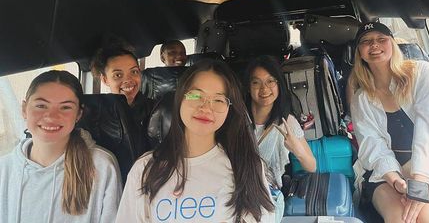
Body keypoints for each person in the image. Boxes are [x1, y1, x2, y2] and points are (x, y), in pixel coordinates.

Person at [350, 22, 429, 223]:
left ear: (392, 43)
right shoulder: (361, 98)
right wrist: (396, 182)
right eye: (366, 42)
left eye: (381, 39)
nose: (374, 45)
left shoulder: (424, 74)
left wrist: (419, 181)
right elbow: (372, 145)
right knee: (400, 219)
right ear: (359, 52)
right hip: (387, 176)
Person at [115, 59, 275, 222]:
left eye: (218, 100)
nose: (205, 108)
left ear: (229, 109)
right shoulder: (145, 168)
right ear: (180, 99)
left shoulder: (245, 165)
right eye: (196, 95)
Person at [0, 70, 122, 222]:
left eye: (65, 107)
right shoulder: (4, 169)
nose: (51, 116)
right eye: (41, 105)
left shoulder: (101, 166)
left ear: (78, 115)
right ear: (24, 109)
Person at [244, 55, 316, 189]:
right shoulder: (237, 119)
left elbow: (312, 165)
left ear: (279, 85)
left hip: (268, 196)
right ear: (248, 87)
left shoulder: (287, 122)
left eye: (270, 81)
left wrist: (297, 149)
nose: (264, 89)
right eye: (256, 82)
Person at [91, 42, 155, 157]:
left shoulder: (156, 109)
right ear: (105, 79)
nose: (128, 80)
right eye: (118, 75)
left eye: (134, 71)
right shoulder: (94, 114)